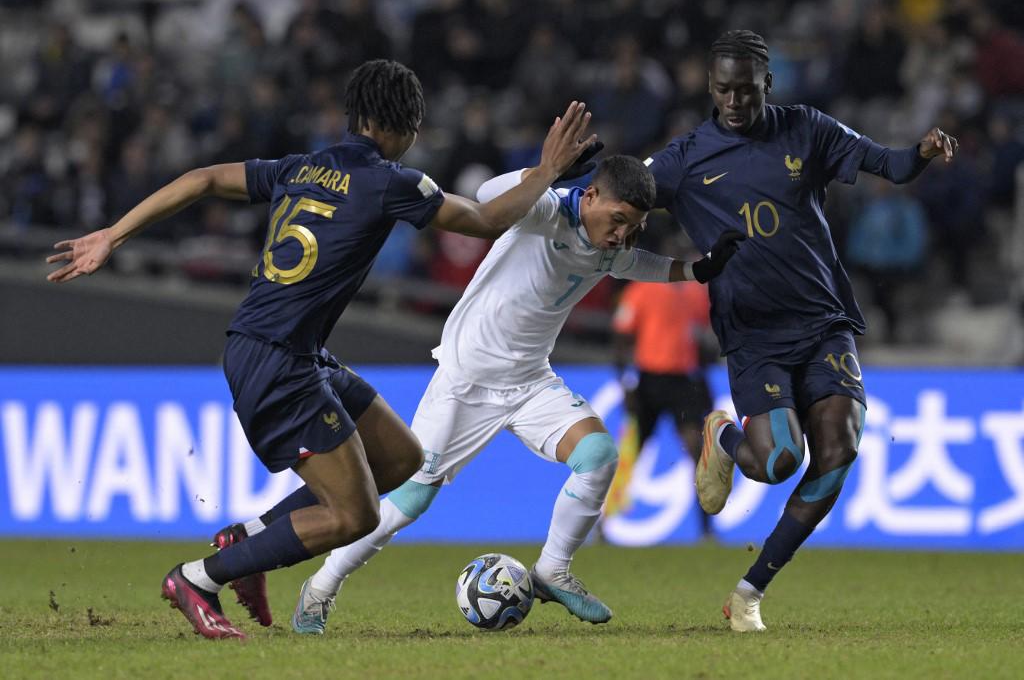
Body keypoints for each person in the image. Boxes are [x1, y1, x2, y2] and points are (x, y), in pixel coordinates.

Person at [45, 59, 597, 640]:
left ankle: (248, 541)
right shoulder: (393, 182)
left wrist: (112, 233)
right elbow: (486, 220)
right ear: (406, 127)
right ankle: (197, 577)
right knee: (355, 515)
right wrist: (549, 170)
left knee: (403, 459)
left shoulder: (302, 166)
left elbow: (202, 178)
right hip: (277, 359)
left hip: (288, 350)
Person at [230, 154, 743, 635]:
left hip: (529, 380)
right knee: (408, 501)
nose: (624, 234)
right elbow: (488, 191)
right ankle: (320, 588)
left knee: (599, 455)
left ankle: (553, 571)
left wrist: (694, 271)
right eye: (618, 219)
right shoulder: (545, 210)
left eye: (634, 226)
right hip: (467, 379)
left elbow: (639, 265)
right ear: (590, 196)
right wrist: (546, 169)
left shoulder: (609, 246)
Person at [643, 30, 958, 632]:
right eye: (723, 90)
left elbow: (888, 164)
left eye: (746, 89)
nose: (734, 101)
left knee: (839, 450)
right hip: (753, 333)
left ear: (769, 83)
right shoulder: (686, 157)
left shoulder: (806, 128)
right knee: (779, 459)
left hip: (822, 322)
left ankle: (748, 594)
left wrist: (919, 152)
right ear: (710, 88)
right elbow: (629, 194)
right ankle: (725, 438)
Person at [608, 235, 716, 539]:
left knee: (697, 451)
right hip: (649, 380)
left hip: (683, 382)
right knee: (631, 454)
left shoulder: (697, 294)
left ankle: (707, 529)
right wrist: (626, 383)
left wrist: (704, 380)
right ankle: (603, 523)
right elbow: (620, 341)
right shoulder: (641, 289)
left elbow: (703, 341)